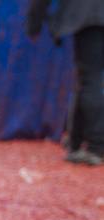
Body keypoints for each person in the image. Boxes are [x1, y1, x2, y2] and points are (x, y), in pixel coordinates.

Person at [28, 0, 104, 166]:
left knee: (90, 78)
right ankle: (76, 141)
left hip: (91, 17)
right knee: (88, 78)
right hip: (92, 16)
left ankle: (96, 146)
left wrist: (34, 21)